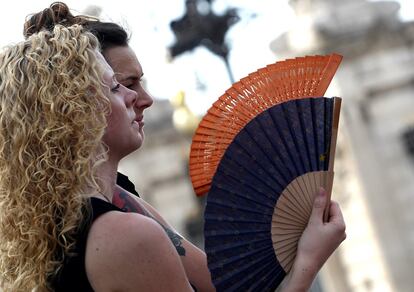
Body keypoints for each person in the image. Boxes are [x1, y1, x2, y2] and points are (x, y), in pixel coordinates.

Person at [10, 2, 347, 291]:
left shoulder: (91, 207)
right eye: (117, 86)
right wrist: (308, 262)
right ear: (72, 111)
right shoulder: (126, 233)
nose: (138, 98)